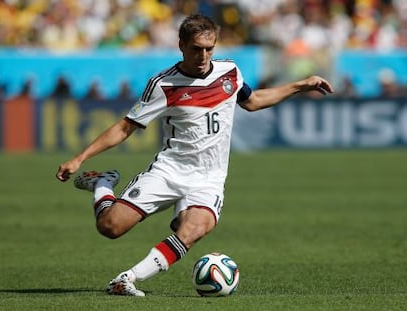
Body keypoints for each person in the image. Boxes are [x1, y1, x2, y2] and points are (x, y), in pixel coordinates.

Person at [56, 14, 334, 296]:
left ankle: (127, 279)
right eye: (196, 48)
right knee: (110, 226)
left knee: (193, 229)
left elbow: (253, 101)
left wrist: (301, 85)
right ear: (181, 45)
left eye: (209, 48)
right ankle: (103, 183)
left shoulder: (229, 73)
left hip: (209, 178)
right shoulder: (164, 85)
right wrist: (80, 158)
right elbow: (126, 127)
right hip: (170, 170)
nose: (203, 55)